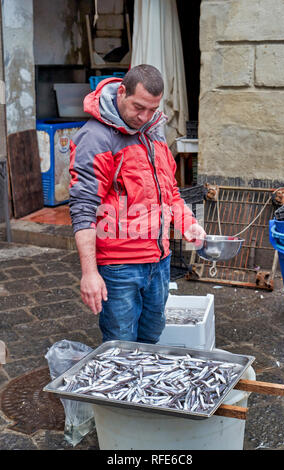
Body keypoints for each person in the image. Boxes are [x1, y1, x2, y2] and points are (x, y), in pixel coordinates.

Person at [69, 64, 206, 344]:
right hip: (120, 266)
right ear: (122, 93)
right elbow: (83, 209)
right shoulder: (95, 138)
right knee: (122, 344)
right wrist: (89, 273)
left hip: (159, 259)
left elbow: (169, 191)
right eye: (138, 107)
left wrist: (188, 223)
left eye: (151, 110)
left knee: (152, 335)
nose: (144, 117)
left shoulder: (152, 130)